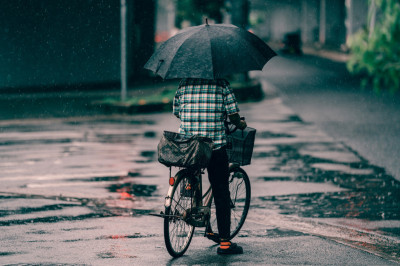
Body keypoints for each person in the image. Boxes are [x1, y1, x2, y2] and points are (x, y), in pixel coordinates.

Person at [173, 78, 246, 255]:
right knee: (221, 192)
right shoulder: (222, 85)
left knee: (193, 169)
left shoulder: (183, 84)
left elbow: (177, 112)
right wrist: (240, 124)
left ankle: (189, 186)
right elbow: (233, 115)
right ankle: (225, 244)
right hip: (214, 147)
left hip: (189, 146)